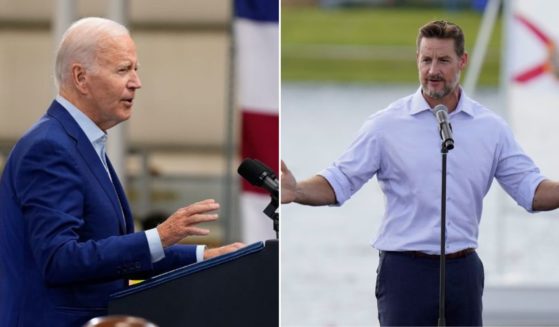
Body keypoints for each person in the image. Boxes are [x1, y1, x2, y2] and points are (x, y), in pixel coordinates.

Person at [281, 20, 559, 326]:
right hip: (405, 273)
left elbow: (533, 192)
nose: (433, 71)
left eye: (443, 60)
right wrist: (297, 191)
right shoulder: (385, 126)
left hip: (463, 271)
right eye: (426, 60)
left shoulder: (490, 128)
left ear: (462, 61)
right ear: (417, 59)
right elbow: (339, 180)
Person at [0, 17, 243, 326]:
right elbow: (59, 259)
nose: (136, 82)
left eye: (135, 69)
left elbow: (112, 254)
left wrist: (202, 257)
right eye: (122, 70)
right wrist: (160, 235)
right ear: (81, 78)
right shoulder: (49, 147)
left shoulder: (80, 142)